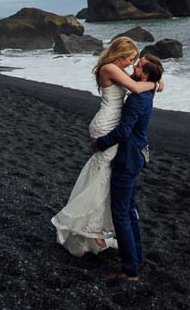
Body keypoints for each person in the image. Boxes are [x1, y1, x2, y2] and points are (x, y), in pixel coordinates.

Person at [51, 37, 161, 258]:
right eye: (130, 59)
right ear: (120, 55)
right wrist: (155, 83)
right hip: (106, 127)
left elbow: (138, 82)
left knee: (105, 178)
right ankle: (89, 227)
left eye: (134, 62)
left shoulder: (116, 69)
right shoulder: (110, 67)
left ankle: (95, 231)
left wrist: (155, 81)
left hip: (110, 124)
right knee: (103, 179)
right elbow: (137, 86)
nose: (131, 64)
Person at [92, 53, 164, 282]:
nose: (134, 67)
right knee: (129, 209)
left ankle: (130, 269)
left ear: (145, 74)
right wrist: (157, 82)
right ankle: (136, 257)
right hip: (138, 153)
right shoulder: (146, 91)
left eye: (139, 66)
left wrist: (100, 143)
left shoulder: (136, 99)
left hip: (128, 158)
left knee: (121, 213)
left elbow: (124, 132)